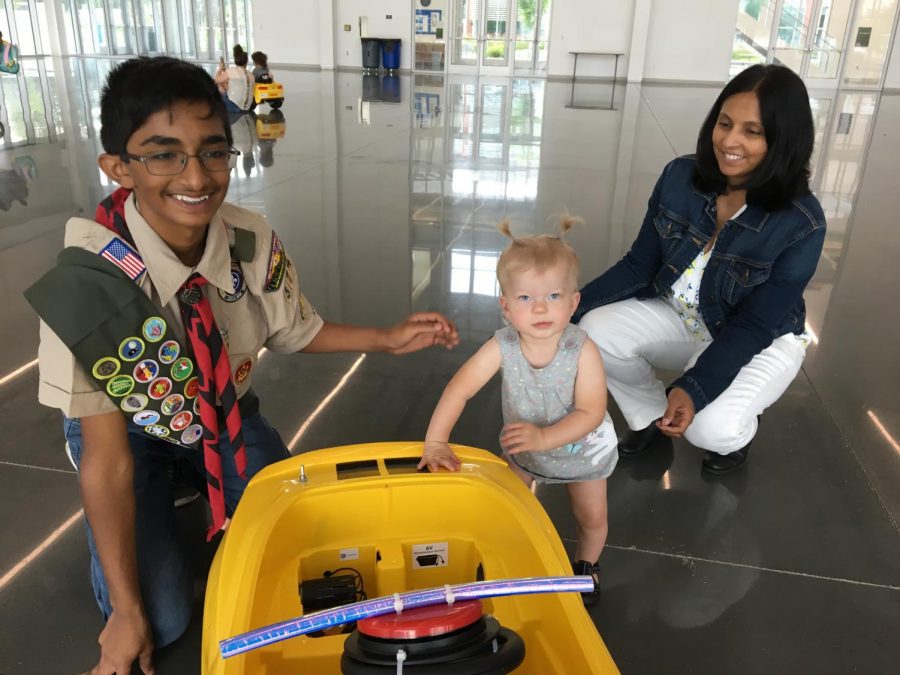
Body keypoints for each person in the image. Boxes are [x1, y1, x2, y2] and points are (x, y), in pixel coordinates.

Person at [25, 56, 459, 675]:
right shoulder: (87, 285)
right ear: (117, 167)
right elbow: (107, 457)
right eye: (163, 154)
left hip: (223, 412)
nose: (196, 176)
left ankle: (192, 476)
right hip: (128, 433)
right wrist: (125, 614)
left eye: (213, 151)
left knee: (309, 547)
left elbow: (293, 329)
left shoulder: (248, 240)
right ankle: (153, 502)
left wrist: (384, 339)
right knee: (163, 618)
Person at [575, 64, 826, 475]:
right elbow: (640, 265)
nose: (729, 140)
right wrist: (567, 309)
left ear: (784, 141)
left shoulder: (802, 221)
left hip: (762, 338)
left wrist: (695, 388)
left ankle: (739, 426)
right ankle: (653, 415)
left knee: (711, 429)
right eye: (724, 123)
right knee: (593, 328)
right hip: (686, 318)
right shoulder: (680, 176)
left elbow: (755, 326)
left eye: (753, 131)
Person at [419, 219, 618, 605]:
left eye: (554, 296)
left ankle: (586, 567)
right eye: (525, 298)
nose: (541, 307)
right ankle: (501, 557)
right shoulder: (502, 346)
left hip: (583, 454)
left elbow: (591, 412)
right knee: (506, 506)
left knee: (591, 517)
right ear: (506, 307)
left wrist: (545, 436)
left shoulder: (582, 349)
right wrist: (436, 442)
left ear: (574, 302)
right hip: (524, 451)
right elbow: (459, 389)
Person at [215, 44, 254, 115]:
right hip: (248, 107)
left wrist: (220, 68)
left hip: (234, 107)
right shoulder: (251, 74)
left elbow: (216, 79)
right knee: (223, 84)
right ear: (246, 62)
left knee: (217, 88)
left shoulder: (232, 71)